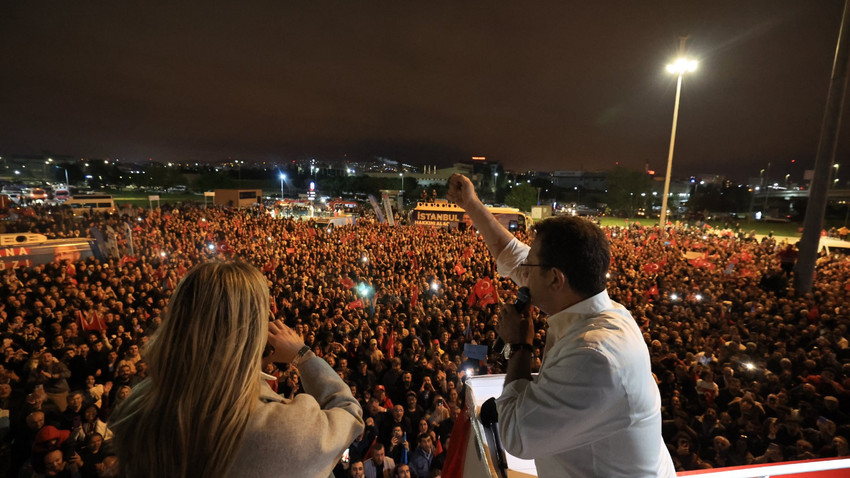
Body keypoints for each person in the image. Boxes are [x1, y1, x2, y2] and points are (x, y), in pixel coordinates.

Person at [447, 173, 675, 477]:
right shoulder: (594, 312)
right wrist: (471, 205)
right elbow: (512, 256)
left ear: (556, 279)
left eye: (532, 265)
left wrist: (520, 346)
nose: (524, 271)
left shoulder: (594, 356)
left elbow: (516, 435)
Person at [109, 261, 364, 477]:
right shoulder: (282, 428)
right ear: (251, 331)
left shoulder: (138, 408)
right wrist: (302, 356)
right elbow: (348, 412)